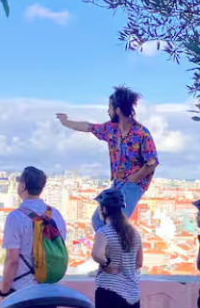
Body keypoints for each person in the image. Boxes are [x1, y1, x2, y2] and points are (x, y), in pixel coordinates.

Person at [56, 86, 159, 231]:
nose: (107, 111)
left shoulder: (141, 133)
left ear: (117, 110)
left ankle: (117, 251)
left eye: (110, 107)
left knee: (115, 222)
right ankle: (107, 251)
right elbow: (89, 127)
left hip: (133, 185)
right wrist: (66, 122)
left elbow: (152, 163)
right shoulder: (111, 129)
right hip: (118, 183)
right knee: (98, 219)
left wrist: (135, 178)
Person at [0, 166, 67, 308]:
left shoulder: (15, 217)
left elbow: (12, 260)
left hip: (22, 292)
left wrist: (4, 291)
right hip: (49, 291)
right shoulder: (56, 214)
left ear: (23, 186)